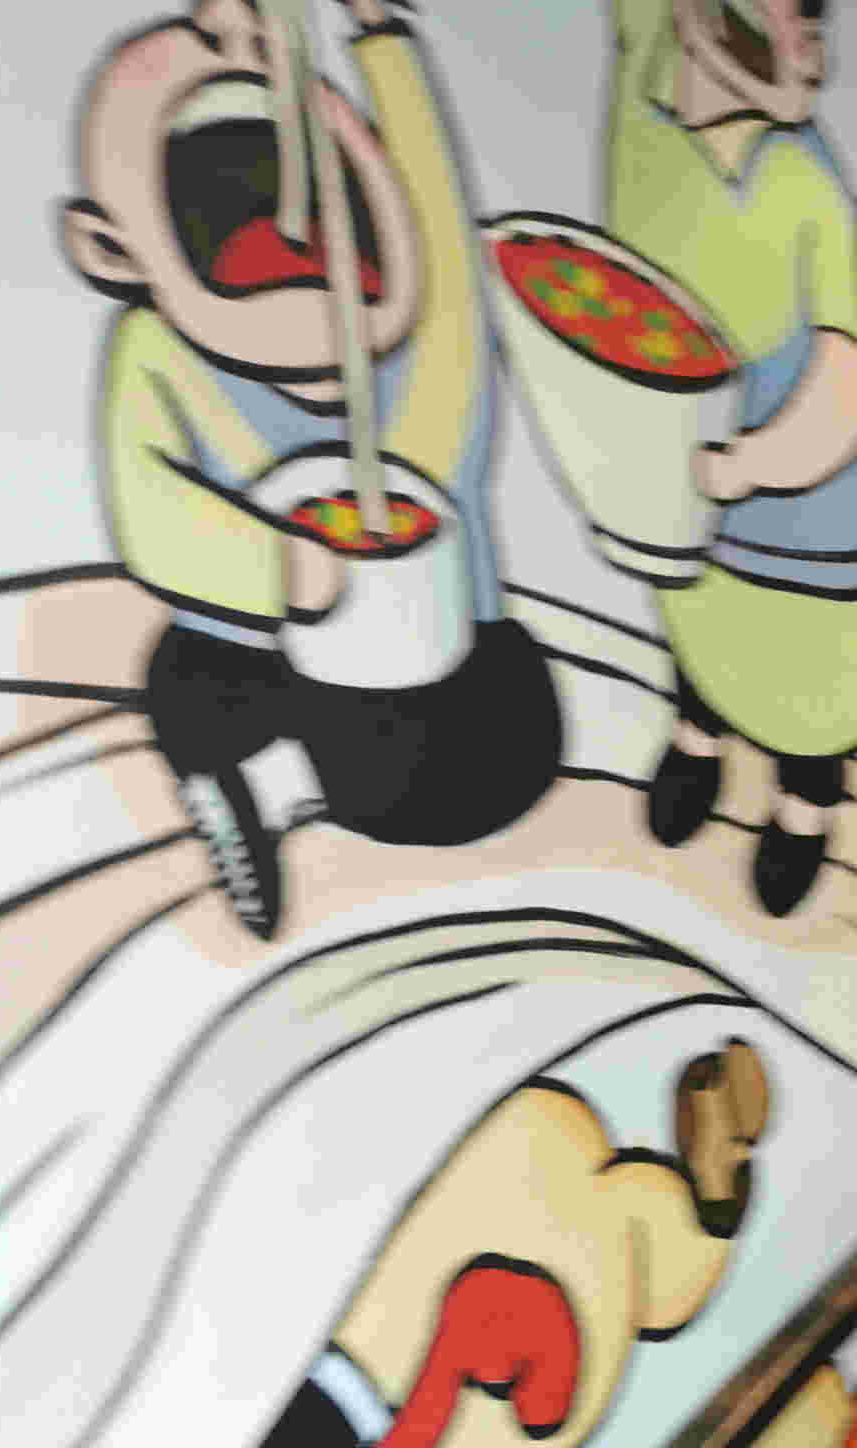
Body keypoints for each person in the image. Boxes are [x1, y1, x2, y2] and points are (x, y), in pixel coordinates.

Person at [62, 0, 562, 938]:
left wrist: (383, 41)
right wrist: (286, 569)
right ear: (112, 249)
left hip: (431, 669)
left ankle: (305, 786)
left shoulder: (428, 351)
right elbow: (148, 502)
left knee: (498, 757)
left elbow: (438, 223)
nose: (242, 26)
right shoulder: (157, 354)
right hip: (258, 657)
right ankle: (251, 787)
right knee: (190, 694)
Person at [606, 0, 857, 916]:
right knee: (702, 618)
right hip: (695, 467)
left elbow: (853, 374)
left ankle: (807, 801)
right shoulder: (650, 102)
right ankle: (699, 735)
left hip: (810, 504)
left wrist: (754, 464)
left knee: (807, 670)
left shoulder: (804, 180)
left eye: (813, 23)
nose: (807, 40)